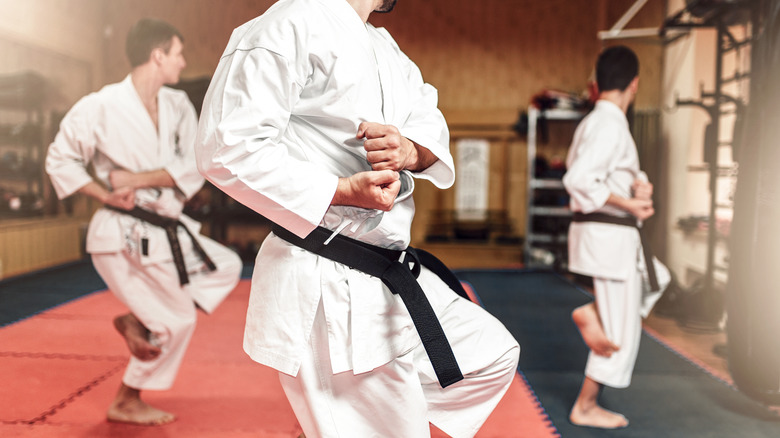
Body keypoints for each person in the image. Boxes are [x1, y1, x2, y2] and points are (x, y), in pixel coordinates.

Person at [196, 0, 520, 436]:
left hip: (387, 274)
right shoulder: (290, 23)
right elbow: (226, 147)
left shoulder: (384, 46)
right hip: (328, 279)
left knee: (490, 354)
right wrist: (340, 191)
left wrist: (409, 150)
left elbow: (429, 124)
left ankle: (328, 423)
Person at [45, 18, 242, 426]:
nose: (183, 62)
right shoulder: (99, 106)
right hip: (121, 234)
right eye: (178, 53)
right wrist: (105, 192)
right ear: (158, 55)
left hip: (166, 227)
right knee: (178, 320)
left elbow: (197, 164)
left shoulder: (177, 105)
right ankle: (127, 398)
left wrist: (135, 178)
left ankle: (138, 319)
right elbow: (59, 159)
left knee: (227, 266)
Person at [562, 45, 670, 429]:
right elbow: (578, 181)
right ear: (634, 84)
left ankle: (595, 313)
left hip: (606, 237)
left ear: (596, 85)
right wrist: (629, 204)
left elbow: (606, 174)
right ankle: (586, 406)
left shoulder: (600, 122)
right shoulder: (608, 124)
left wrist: (638, 188)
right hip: (609, 239)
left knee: (658, 279)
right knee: (619, 334)